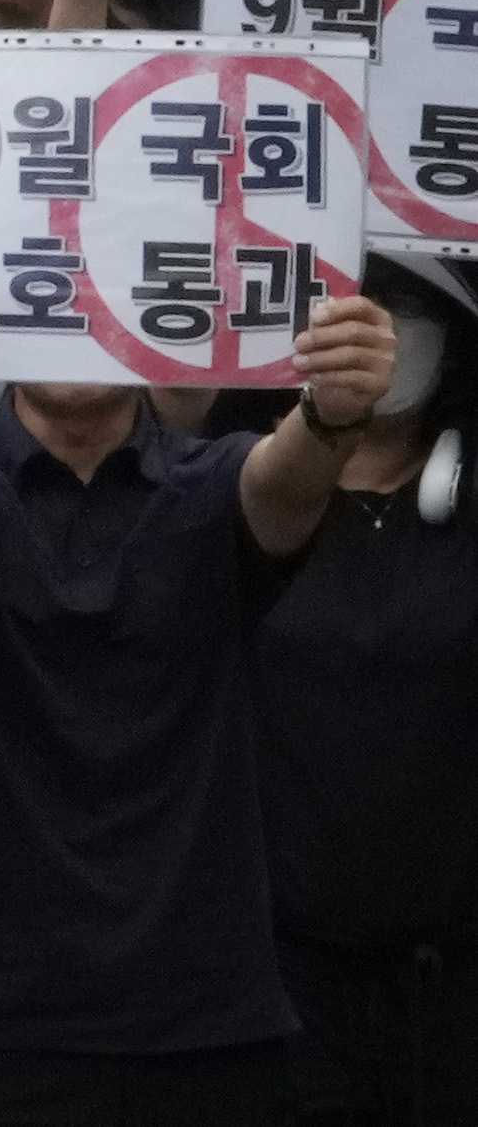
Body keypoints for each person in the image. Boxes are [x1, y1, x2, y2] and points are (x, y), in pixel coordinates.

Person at [0, 259, 401, 1124]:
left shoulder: (212, 480)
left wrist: (332, 411)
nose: (71, 311)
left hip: (205, 1026)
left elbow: (284, 484)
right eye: (43, 283)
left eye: (95, 281)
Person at [255, 257, 478, 1127]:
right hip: (285, 981)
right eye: (355, 295)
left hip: (457, 978)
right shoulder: (239, 500)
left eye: (408, 304)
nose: (376, 325)